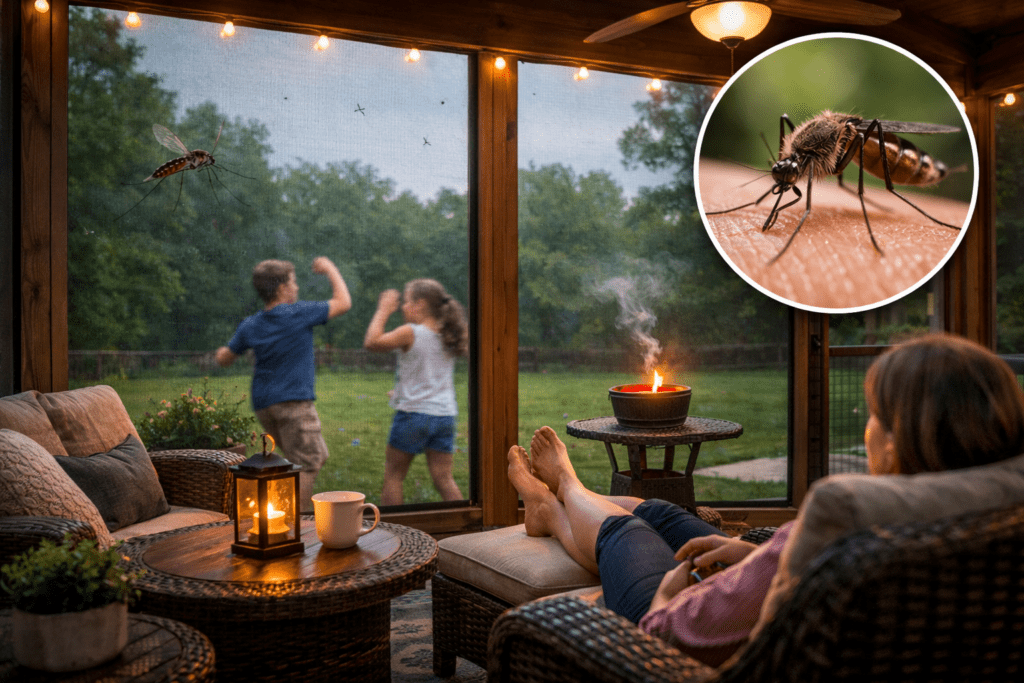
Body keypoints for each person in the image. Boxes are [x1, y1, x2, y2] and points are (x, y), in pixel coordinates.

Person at [508, 333, 1024, 666]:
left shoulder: (844, 513)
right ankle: (552, 509)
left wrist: (667, 592)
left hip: (666, 640)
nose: (866, 428)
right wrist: (759, 553)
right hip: (784, 577)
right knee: (663, 512)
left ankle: (564, 493)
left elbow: (667, 636)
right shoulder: (991, 510)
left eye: (873, 415)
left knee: (632, 531)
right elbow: (803, 566)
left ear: (901, 437)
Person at [215, 257, 351, 513]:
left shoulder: (251, 324)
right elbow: (343, 303)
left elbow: (224, 358)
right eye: (294, 282)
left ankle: (283, 509)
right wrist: (331, 268)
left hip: (265, 405)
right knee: (308, 464)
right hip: (293, 403)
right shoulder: (297, 313)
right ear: (282, 288)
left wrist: (223, 351)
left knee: (316, 455)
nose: (297, 288)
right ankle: (295, 523)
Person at [364, 278, 468, 506]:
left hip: (413, 416)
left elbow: (372, 342)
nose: (402, 306)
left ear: (420, 304)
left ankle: (395, 533)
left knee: (394, 475)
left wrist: (383, 309)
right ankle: (465, 529)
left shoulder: (411, 332)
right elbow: (428, 375)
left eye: (407, 300)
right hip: (444, 416)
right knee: (444, 478)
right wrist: (400, 392)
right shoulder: (448, 335)